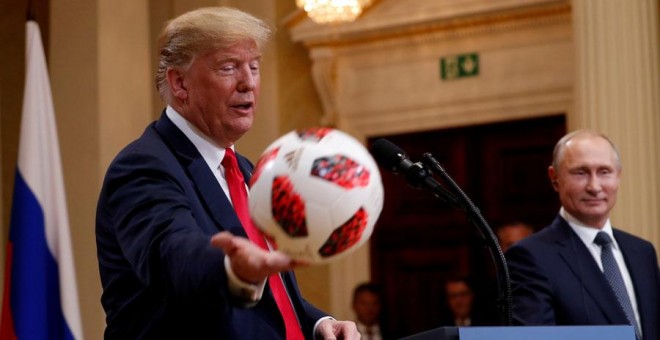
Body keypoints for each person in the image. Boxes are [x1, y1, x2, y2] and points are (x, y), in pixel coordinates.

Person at [95, 7, 358, 339]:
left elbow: (270, 294)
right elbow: (173, 252)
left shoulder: (247, 171)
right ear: (180, 84)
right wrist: (228, 267)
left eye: (254, 66)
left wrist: (318, 324)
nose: (248, 83)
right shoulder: (142, 166)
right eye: (229, 67)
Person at [506, 130, 660, 339]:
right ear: (555, 179)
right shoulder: (530, 257)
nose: (594, 187)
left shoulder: (642, 252)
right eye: (581, 173)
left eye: (604, 172)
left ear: (618, 177)